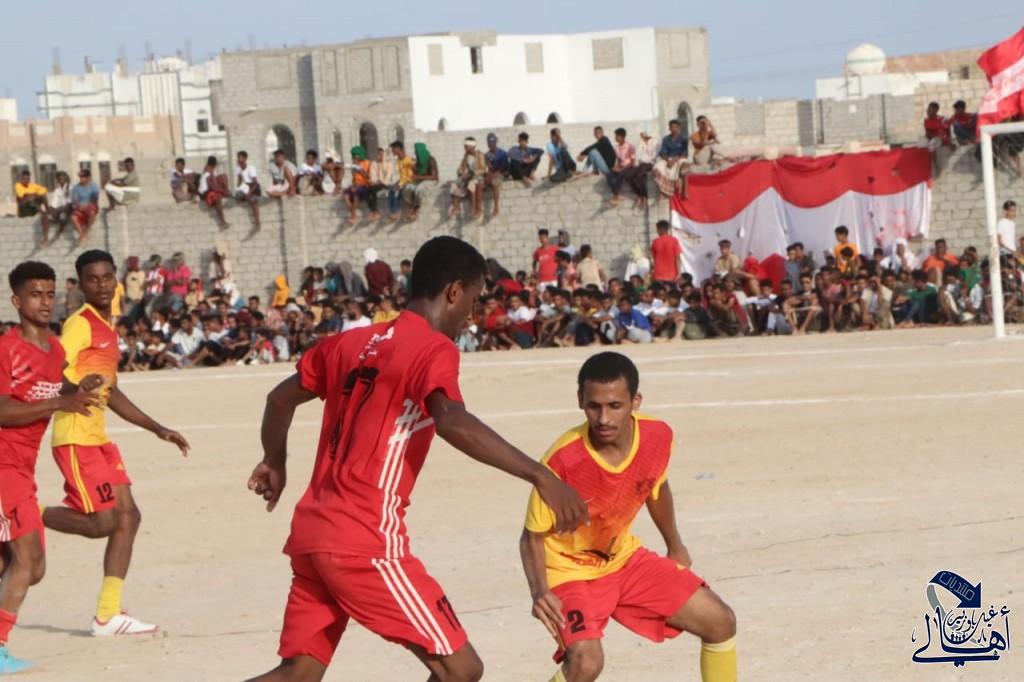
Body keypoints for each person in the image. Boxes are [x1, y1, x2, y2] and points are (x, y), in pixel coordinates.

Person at [243, 236, 587, 681]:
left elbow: (278, 399)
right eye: (474, 300)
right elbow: (451, 421)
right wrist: (542, 476)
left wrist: (274, 460)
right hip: (364, 539)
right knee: (461, 669)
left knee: (298, 675)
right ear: (453, 291)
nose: (472, 314)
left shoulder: (348, 342)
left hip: (312, 533)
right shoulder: (433, 348)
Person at [521, 353, 736, 682]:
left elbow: (656, 487)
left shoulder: (657, 435)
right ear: (580, 401)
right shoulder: (562, 461)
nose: (603, 418)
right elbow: (531, 536)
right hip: (566, 572)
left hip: (623, 559)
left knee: (720, 621)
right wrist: (539, 591)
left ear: (635, 401)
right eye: (593, 406)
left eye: (615, 406)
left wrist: (675, 545)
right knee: (586, 663)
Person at [41, 250, 191, 636]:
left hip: (98, 439)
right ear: (81, 284)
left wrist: (158, 428)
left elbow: (113, 392)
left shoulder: (107, 327)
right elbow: (51, 370)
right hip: (75, 437)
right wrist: (75, 388)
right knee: (102, 523)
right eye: (93, 279)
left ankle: (107, 615)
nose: (102, 284)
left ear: (117, 280)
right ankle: (22, 513)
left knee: (129, 517)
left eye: (108, 277)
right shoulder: (81, 324)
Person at [0, 261, 102, 674]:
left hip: (23, 470)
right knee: (25, 559)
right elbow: (2, 409)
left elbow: (58, 386)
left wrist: (79, 389)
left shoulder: (55, 350)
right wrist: (62, 401)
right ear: (16, 301)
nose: (44, 302)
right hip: (2, 467)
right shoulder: (6, 349)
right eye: (35, 295)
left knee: (31, 568)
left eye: (49, 294)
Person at [449, 138, 487, 219]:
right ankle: (456, 207)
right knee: (454, 184)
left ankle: (475, 208)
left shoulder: (480, 155)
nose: (465, 148)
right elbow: (460, 168)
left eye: (466, 146)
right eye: (465, 146)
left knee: (472, 184)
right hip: (468, 177)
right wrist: (461, 173)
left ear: (473, 146)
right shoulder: (466, 156)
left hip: (478, 176)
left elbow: (483, 169)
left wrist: (473, 173)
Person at [653, 119, 689, 199]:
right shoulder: (666, 139)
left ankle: (685, 190)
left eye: (674, 127)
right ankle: (664, 191)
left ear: (678, 127)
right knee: (657, 167)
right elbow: (662, 153)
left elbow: (685, 154)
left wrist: (674, 160)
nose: (673, 129)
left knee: (684, 167)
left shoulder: (684, 138)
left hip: (679, 158)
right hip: (668, 159)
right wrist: (668, 160)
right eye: (671, 127)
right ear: (669, 128)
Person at [401, 142, 438, 221]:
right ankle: (411, 206)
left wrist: (418, 177)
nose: (415, 153)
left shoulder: (430, 159)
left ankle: (415, 210)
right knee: (408, 187)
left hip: (431, 180)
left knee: (419, 189)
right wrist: (413, 168)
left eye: (416, 152)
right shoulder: (418, 161)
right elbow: (416, 174)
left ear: (420, 151)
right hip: (420, 180)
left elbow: (434, 176)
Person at [39, 171, 73, 247]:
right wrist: (48, 211)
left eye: (62, 178)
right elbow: (54, 205)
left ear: (66, 178)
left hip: (68, 209)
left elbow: (69, 204)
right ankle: (45, 238)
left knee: (63, 215)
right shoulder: (57, 190)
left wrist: (57, 209)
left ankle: (58, 234)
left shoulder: (71, 188)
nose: (61, 180)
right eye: (59, 178)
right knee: (45, 216)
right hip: (58, 210)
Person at [70, 169, 101, 243]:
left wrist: (87, 206)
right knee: (73, 217)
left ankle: (85, 232)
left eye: (83, 177)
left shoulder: (94, 186)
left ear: (88, 177)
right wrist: (80, 206)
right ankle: (82, 235)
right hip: (80, 207)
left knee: (92, 213)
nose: (81, 178)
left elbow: (94, 199)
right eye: (80, 177)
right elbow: (75, 200)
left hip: (91, 206)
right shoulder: (76, 187)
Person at [198, 156, 229, 227]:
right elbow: (212, 187)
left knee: (223, 176)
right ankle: (223, 222)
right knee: (218, 199)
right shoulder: (207, 173)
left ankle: (226, 192)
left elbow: (215, 185)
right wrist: (223, 191)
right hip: (206, 193)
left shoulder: (212, 171)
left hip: (211, 190)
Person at [607, 128, 635, 206]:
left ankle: (615, 196)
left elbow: (632, 161)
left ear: (622, 137)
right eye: (615, 136)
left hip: (629, 167)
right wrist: (616, 167)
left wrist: (623, 168)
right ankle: (616, 195)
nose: (615, 138)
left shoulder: (630, 146)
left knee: (621, 173)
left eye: (617, 136)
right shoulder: (616, 147)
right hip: (621, 166)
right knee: (608, 174)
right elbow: (619, 160)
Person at [233, 151, 262, 228]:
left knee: (253, 200)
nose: (238, 159)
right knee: (236, 195)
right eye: (238, 157)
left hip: (254, 187)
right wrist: (237, 189)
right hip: (245, 187)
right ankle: (245, 197)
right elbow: (239, 180)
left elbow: (255, 183)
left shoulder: (250, 168)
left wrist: (249, 192)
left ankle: (257, 222)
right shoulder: (238, 168)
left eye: (240, 157)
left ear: (245, 158)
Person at [344, 146, 372, 224]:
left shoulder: (367, 163)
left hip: (364, 185)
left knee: (355, 195)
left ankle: (353, 216)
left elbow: (368, 176)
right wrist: (354, 185)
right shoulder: (354, 164)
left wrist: (359, 168)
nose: (355, 157)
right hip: (356, 184)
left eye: (356, 155)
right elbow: (354, 177)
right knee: (346, 195)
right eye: (354, 155)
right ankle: (353, 213)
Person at [483, 133, 509, 216]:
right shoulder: (486, 155)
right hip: (492, 174)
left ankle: (496, 207)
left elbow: (505, 169)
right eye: (489, 144)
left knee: (495, 183)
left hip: (501, 173)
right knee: (480, 184)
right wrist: (489, 174)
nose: (491, 145)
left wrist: (495, 174)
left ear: (496, 142)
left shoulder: (503, 153)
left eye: (492, 143)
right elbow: (487, 169)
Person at [651, 220, 682, 285]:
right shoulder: (674, 241)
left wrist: (652, 272)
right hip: (672, 275)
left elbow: (653, 260)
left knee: (660, 291)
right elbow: (678, 258)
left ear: (660, 229)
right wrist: (679, 273)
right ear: (667, 229)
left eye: (657, 230)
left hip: (658, 275)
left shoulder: (655, 242)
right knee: (671, 291)